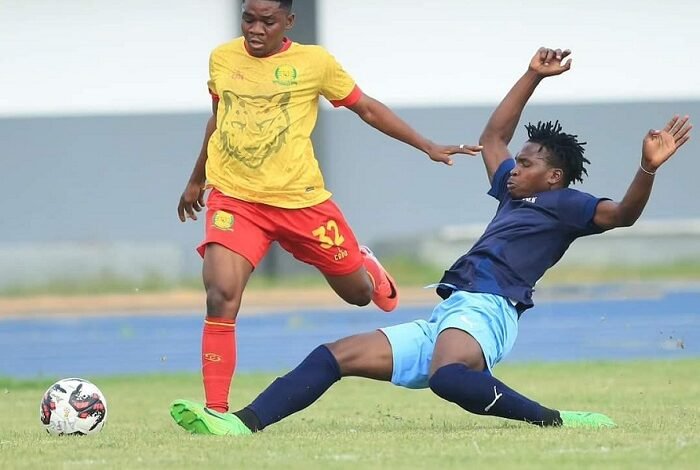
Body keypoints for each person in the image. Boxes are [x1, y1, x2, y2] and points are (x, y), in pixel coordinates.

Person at [170, 46, 692, 435]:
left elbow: (622, 215)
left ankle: (556, 420)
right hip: (451, 311)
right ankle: (241, 424)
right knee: (334, 355)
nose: (515, 168)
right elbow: (493, 139)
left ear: (553, 178)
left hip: (489, 310)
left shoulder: (566, 207)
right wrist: (532, 75)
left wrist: (646, 168)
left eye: (527, 164)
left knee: (447, 377)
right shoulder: (513, 194)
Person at [173, 0, 481, 416]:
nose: (256, 29)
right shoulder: (222, 58)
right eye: (249, 19)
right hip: (236, 198)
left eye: (268, 21)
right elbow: (220, 118)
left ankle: (364, 264)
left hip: (303, 203)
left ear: (289, 21)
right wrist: (197, 178)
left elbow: (367, 108)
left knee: (358, 295)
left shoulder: (314, 63)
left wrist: (426, 145)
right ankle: (216, 413)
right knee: (221, 296)